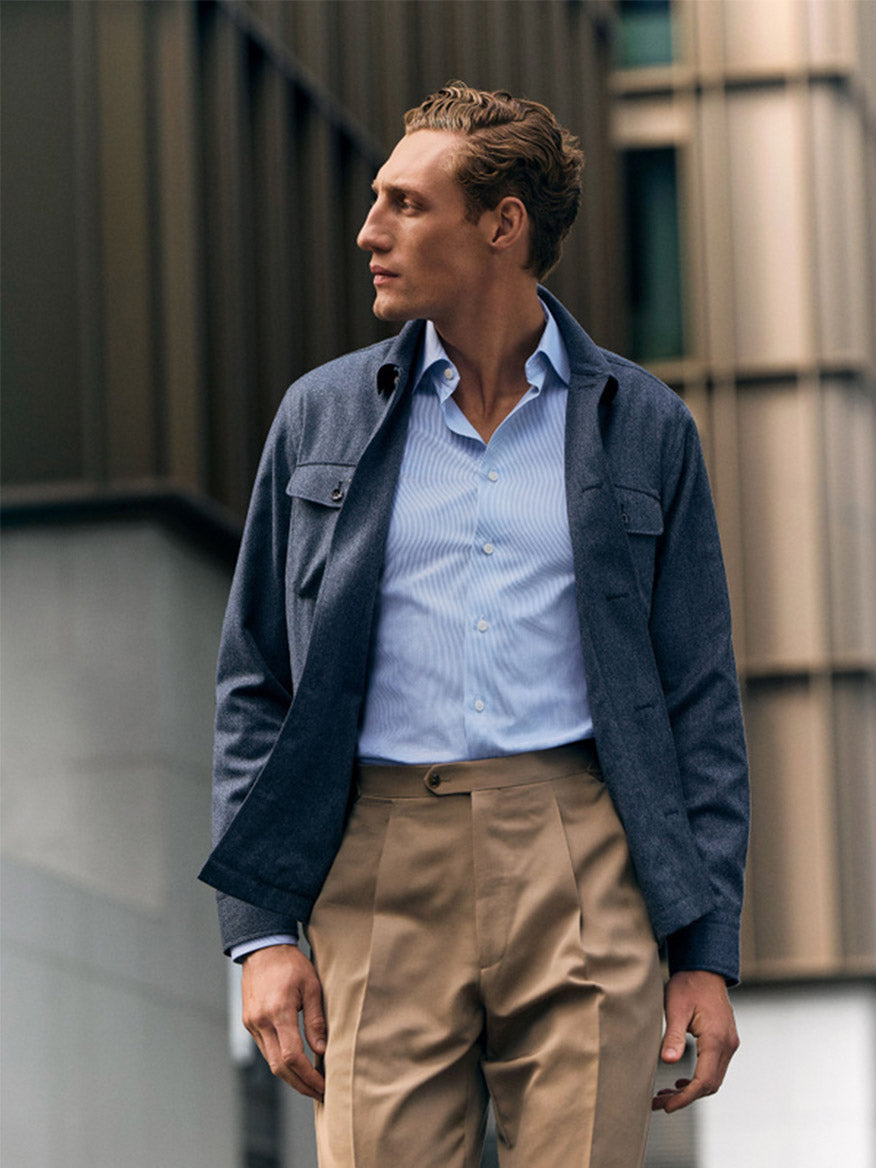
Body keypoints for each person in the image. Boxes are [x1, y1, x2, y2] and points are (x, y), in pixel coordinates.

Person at [200, 82, 749, 1167]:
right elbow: (255, 679)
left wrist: (707, 953)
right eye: (376, 202)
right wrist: (260, 932)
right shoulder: (323, 415)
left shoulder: (643, 426)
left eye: (407, 204)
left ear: (502, 225)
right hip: (378, 860)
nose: (370, 231)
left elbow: (700, 704)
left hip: (583, 853)